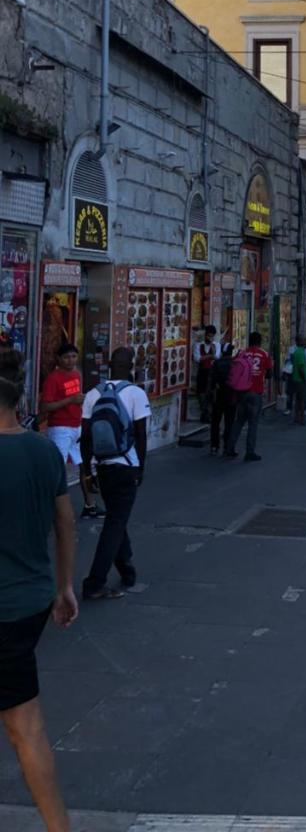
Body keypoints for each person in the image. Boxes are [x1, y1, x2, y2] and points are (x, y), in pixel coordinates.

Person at [0, 345, 78, 832]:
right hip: (27, 603)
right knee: (23, 725)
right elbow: (65, 524)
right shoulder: (41, 449)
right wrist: (64, 587)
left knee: (24, 727)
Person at [80, 348, 150, 600]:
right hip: (125, 465)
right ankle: (95, 582)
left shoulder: (92, 394)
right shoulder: (135, 393)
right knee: (114, 523)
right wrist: (141, 467)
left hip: (103, 467)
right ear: (131, 366)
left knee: (116, 518)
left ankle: (126, 568)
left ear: (109, 366)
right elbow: (141, 434)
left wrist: (88, 469)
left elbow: (85, 436)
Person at [38, 344, 100, 519]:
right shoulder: (53, 379)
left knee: (84, 466)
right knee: (57, 469)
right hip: (60, 428)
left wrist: (80, 402)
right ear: (59, 359)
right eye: (66, 357)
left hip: (76, 426)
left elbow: (76, 399)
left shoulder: (76, 374)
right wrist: (71, 400)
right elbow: (45, 406)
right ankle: (49, 509)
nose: (70, 360)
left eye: (73, 356)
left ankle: (90, 505)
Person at [226, 331, 272, 463]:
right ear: (260, 341)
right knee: (253, 423)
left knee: (239, 420)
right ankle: (249, 451)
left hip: (241, 391)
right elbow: (269, 373)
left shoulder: (243, 353)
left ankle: (230, 447)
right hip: (255, 391)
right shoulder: (264, 354)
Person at [208, 342, 236, 456]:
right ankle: (227, 446)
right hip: (231, 396)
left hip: (218, 396)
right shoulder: (234, 364)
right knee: (229, 423)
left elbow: (211, 382)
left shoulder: (216, 363)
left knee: (215, 422)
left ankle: (214, 445)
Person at [192, 326, 219, 419]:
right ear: (205, 335)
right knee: (201, 392)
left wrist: (211, 350)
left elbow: (217, 357)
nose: (210, 338)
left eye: (212, 336)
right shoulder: (198, 344)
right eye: (208, 336)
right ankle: (204, 411)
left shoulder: (216, 344)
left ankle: (210, 412)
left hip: (212, 372)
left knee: (211, 392)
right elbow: (197, 358)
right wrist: (210, 356)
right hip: (202, 371)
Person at [290, 335, 306, 426]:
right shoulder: (301, 352)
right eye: (304, 340)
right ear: (300, 342)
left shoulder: (296, 352)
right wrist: (305, 378)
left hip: (295, 378)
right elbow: (301, 367)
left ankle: (297, 417)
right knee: (302, 400)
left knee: (298, 399)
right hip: (300, 379)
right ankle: (302, 418)